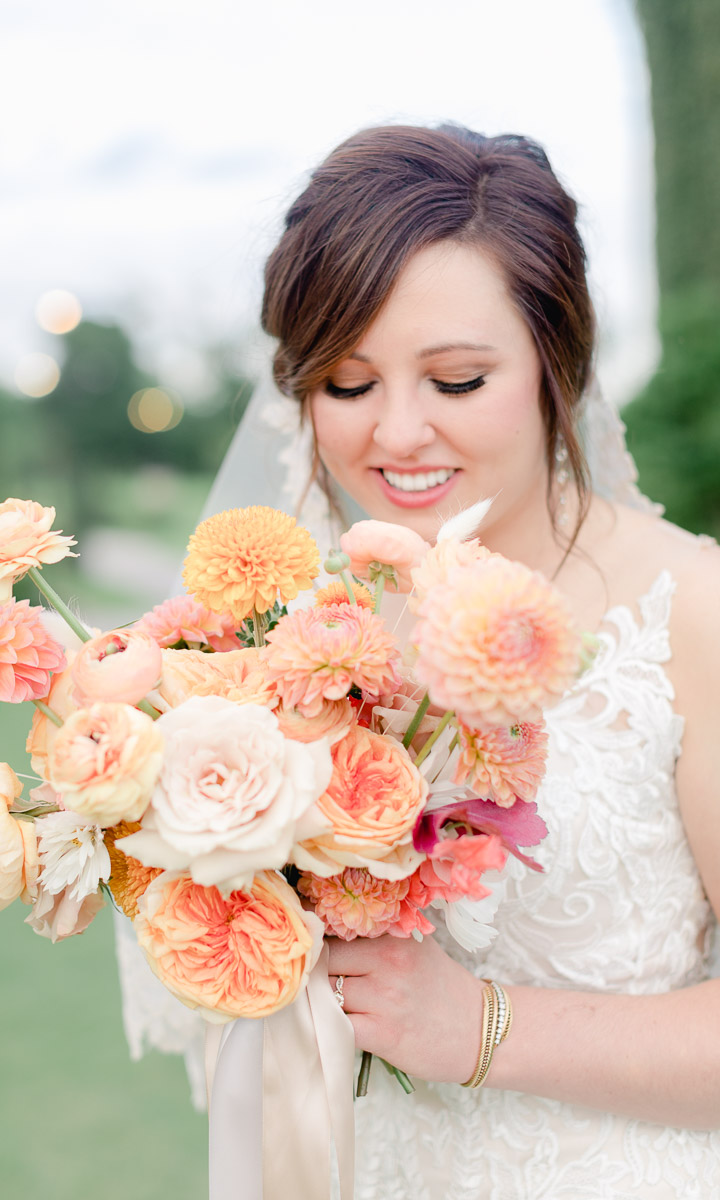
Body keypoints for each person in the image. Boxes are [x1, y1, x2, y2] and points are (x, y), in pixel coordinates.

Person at [251, 122, 720, 1197]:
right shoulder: (294, 637)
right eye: (346, 382)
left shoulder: (685, 610)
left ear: (556, 362)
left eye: (456, 381)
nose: (396, 433)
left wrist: (478, 1027)